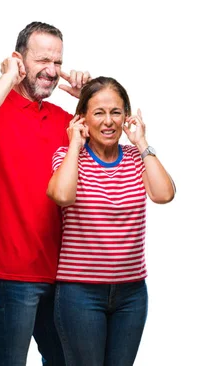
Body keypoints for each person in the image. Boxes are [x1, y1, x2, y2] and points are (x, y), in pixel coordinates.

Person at [0, 21, 90, 365]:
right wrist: (7, 78)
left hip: (64, 275)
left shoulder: (64, 119)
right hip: (10, 273)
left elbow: (109, 162)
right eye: (42, 60)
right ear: (19, 60)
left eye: (58, 63)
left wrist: (86, 101)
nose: (51, 70)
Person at [46, 76, 175, 366]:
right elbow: (63, 196)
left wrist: (142, 142)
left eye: (115, 112)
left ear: (126, 117)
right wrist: (76, 144)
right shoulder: (67, 156)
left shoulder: (135, 158)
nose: (108, 121)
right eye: (98, 113)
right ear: (83, 118)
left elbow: (164, 194)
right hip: (79, 293)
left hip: (131, 294)